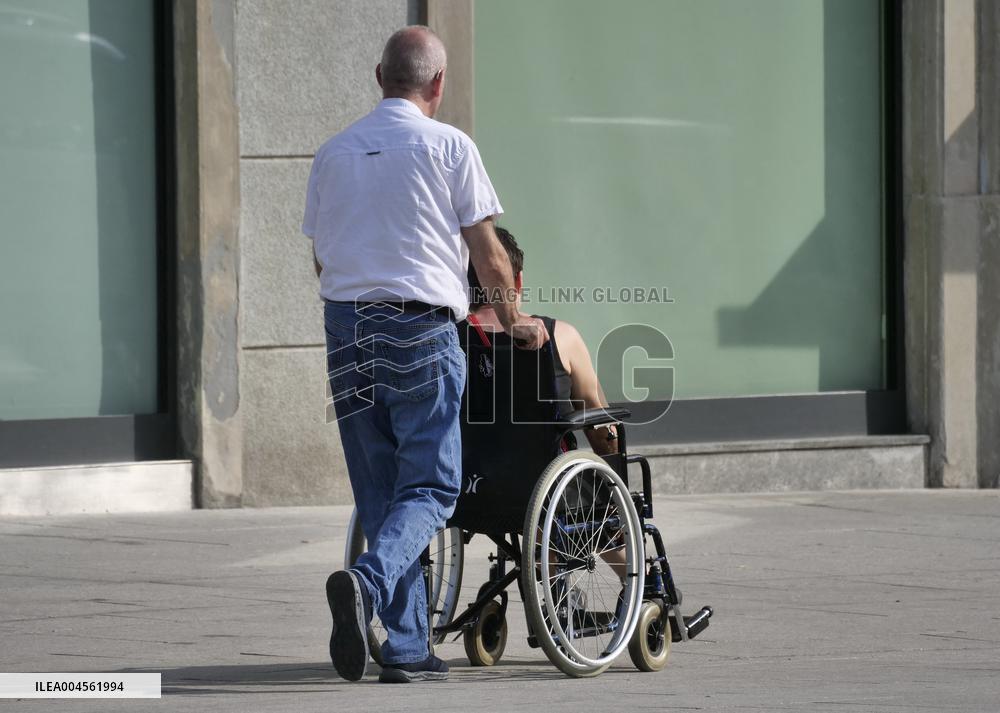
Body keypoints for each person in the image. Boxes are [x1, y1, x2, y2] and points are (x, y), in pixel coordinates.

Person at [302, 26, 548, 684]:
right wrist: (514, 321)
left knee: (380, 489)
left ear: (378, 76)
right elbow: (488, 252)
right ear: (438, 85)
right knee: (433, 488)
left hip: (345, 326)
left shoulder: (333, 153)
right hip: (420, 327)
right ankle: (368, 582)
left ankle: (407, 646)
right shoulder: (449, 147)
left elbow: (322, 256)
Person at [465, 226, 628, 581]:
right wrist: (615, 474)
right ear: (518, 281)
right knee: (593, 490)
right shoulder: (559, 336)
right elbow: (601, 430)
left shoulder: (445, 340)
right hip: (546, 489)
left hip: (468, 489)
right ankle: (643, 585)